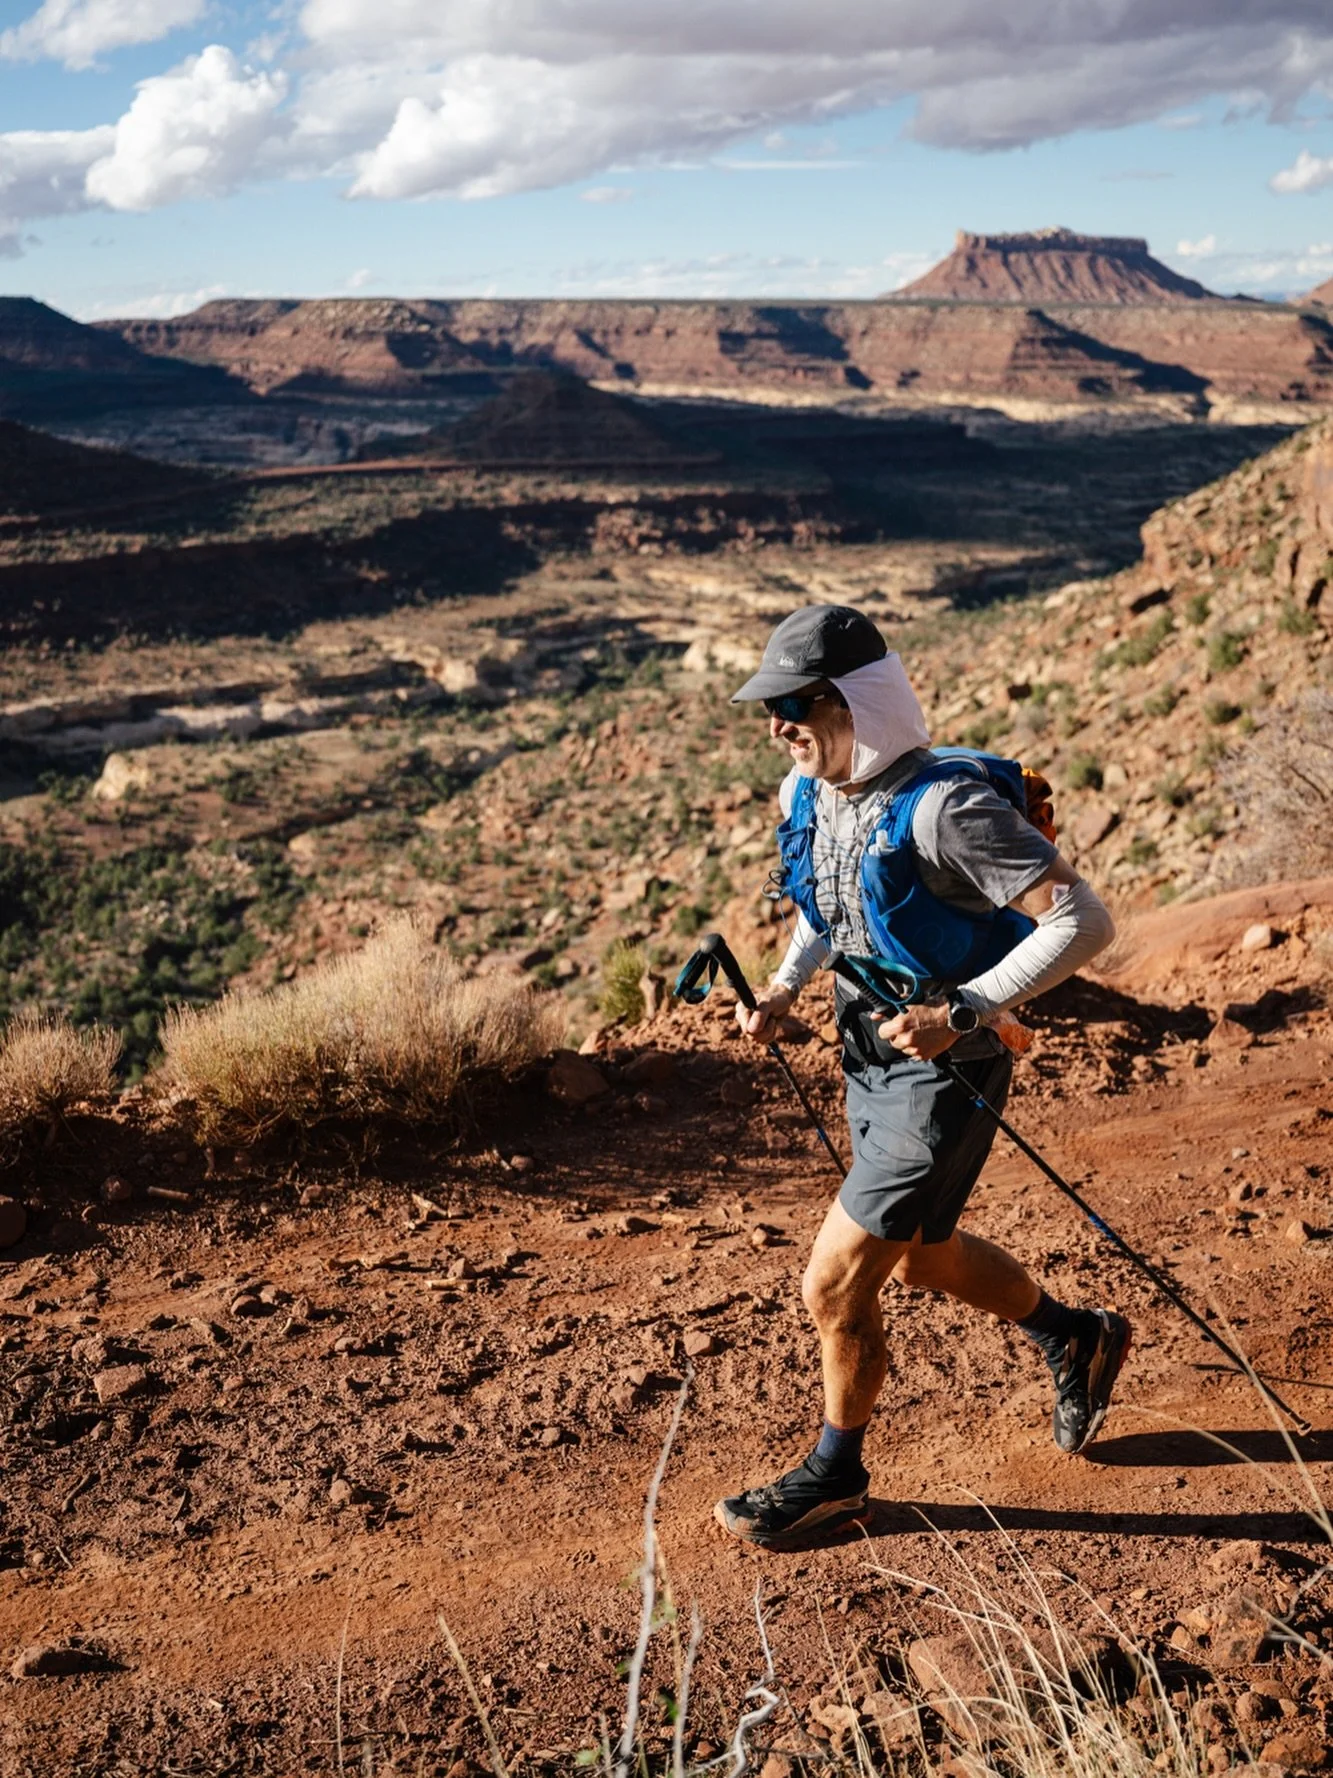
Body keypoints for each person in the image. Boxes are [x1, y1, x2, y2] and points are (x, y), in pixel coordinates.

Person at [715, 603, 1129, 1548]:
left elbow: (1084, 923)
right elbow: (837, 902)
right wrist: (783, 988)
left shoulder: (948, 808)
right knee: (926, 1256)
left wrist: (964, 1012)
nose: (777, 724)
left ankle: (836, 1476)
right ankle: (1076, 1336)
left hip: (947, 1068)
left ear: (858, 699)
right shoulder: (811, 792)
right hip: (869, 1047)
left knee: (833, 1285)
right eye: (767, 706)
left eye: (796, 703)